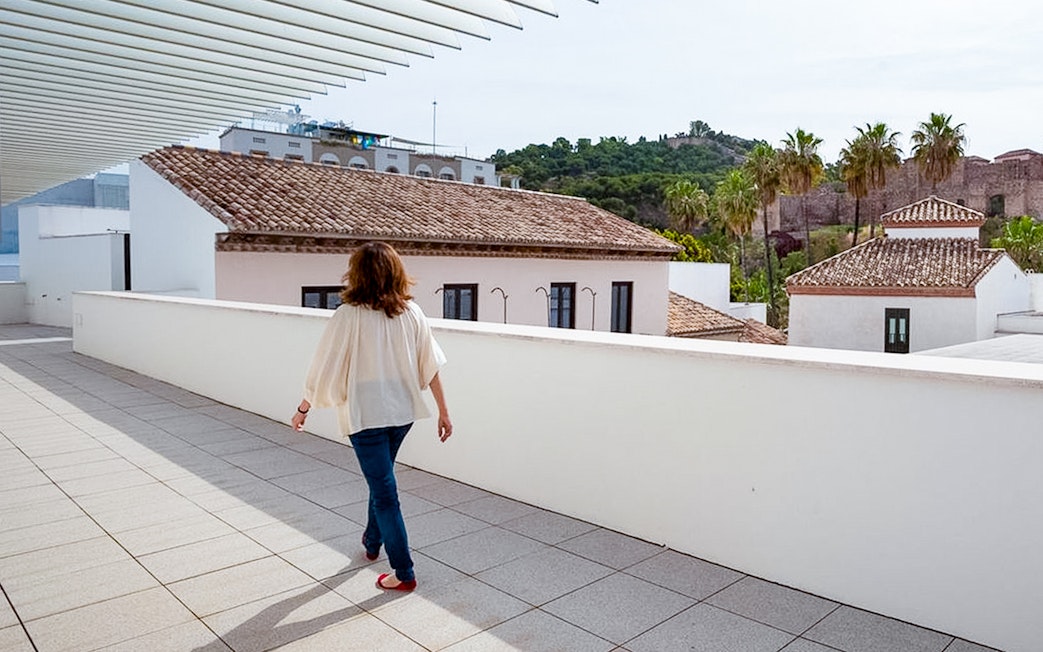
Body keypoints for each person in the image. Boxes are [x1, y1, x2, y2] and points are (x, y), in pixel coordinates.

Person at [291, 241, 452, 592]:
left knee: (384, 492)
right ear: (396, 272)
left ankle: (404, 573)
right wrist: (443, 411)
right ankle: (371, 542)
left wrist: (304, 408)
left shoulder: (348, 315)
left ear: (357, 273)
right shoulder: (412, 312)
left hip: (366, 417)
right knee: (382, 481)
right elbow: (431, 366)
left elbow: (323, 368)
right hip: (402, 414)